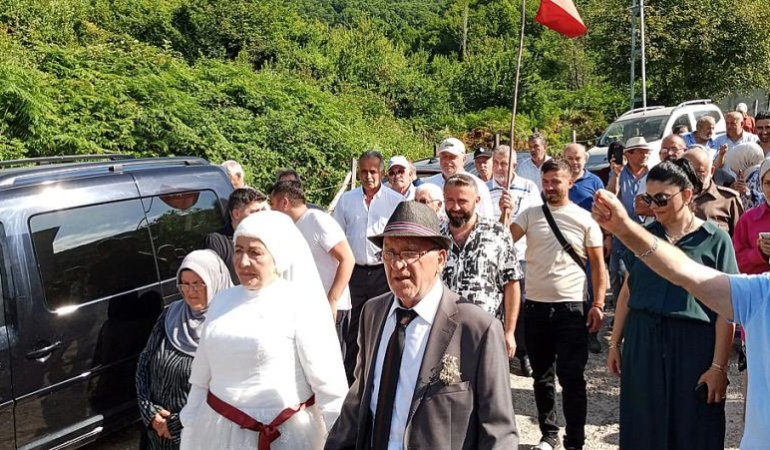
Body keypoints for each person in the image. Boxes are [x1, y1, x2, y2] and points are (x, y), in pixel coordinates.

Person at [324, 201, 519, 450]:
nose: (396, 265)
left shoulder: (477, 329)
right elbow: (359, 398)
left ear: (440, 259)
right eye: (389, 253)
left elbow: (499, 431)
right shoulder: (373, 313)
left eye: (409, 253)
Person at [590, 187, 770, 450]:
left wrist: (718, 367)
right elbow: (685, 272)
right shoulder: (761, 293)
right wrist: (625, 229)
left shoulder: (724, 248)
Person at [179, 212, 348, 450]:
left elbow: (328, 387)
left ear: (276, 253)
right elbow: (201, 379)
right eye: (238, 250)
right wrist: (190, 432)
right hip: (216, 434)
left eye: (255, 252)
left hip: (284, 436)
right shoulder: (221, 300)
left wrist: (340, 441)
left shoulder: (300, 303)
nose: (243, 261)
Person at [604, 159, 736, 449]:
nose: (654, 206)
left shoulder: (716, 241)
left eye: (661, 198)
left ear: (687, 195)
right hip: (643, 342)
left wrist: (718, 367)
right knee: (643, 425)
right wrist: (615, 343)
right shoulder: (646, 237)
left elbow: (728, 310)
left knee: (694, 426)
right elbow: (628, 291)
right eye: (649, 199)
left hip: (692, 344)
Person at [503, 158, 607, 450]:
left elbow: (599, 266)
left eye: (555, 181)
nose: (549, 187)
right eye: (545, 181)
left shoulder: (585, 219)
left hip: (571, 309)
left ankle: (575, 440)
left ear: (570, 182)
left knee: (572, 378)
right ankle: (548, 435)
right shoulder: (530, 214)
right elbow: (502, 242)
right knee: (541, 379)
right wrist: (504, 214)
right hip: (535, 307)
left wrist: (598, 303)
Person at [136, 250, 233, 449]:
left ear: (215, 281)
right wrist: (149, 412)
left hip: (200, 436)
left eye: (198, 283)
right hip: (158, 435)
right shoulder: (170, 315)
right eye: (185, 284)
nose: (190, 291)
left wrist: (177, 424)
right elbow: (144, 362)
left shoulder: (228, 324)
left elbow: (229, 390)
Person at [333, 150, 403, 384]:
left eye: (373, 171)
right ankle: (351, 380)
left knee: (383, 323)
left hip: (383, 273)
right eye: (364, 171)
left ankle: (382, 376)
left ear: (382, 173)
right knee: (353, 327)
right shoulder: (347, 200)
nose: (368, 176)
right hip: (354, 273)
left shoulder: (395, 201)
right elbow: (336, 236)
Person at [440, 173, 523, 364]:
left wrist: (509, 332)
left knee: (487, 390)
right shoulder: (436, 237)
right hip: (443, 331)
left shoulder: (497, 234)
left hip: (485, 331)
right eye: (450, 200)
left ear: (477, 200)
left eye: (462, 201)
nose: (455, 207)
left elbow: (511, 283)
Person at [270, 180, 355, 349]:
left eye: (273, 204)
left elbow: (347, 259)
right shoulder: (293, 226)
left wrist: (332, 300)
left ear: (285, 202)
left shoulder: (317, 220)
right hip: (309, 310)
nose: (272, 210)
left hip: (331, 310)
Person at [488, 144, 541, 375]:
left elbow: (535, 219)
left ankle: (523, 352)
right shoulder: (483, 188)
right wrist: (501, 213)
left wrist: (511, 214)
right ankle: (497, 350)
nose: (500, 168)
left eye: (504, 163)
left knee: (522, 305)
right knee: (495, 304)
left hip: (520, 256)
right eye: (496, 163)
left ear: (514, 166)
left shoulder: (528, 187)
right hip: (491, 257)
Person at [563, 143, 605, 353]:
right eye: (570, 158)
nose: (574, 162)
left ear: (585, 159)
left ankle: (592, 334)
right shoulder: (560, 181)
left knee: (590, 287)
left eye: (578, 158)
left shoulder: (594, 181)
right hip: (563, 245)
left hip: (589, 244)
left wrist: (608, 237)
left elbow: (605, 210)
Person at [606, 137, 651, 327]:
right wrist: (615, 175)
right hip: (622, 233)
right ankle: (620, 312)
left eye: (645, 151)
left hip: (646, 231)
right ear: (628, 154)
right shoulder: (618, 173)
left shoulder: (653, 173)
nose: (644, 155)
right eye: (639, 151)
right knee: (616, 273)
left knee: (639, 274)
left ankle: (636, 313)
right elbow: (609, 196)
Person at [203, 188, 269, 284]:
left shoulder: (264, 237)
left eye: (261, 211)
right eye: (255, 212)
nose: (260, 216)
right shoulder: (216, 241)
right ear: (236, 214)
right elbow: (214, 282)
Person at [423, 137, 494, 218]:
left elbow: (487, 219)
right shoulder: (429, 184)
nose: (447, 161)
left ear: (463, 159)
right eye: (444, 156)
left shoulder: (477, 185)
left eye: (452, 157)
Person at [684, 145, 743, 236]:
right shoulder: (671, 199)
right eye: (688, 171)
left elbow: (740, 240)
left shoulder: (728, 200)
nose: (693, 176)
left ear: (711, 171)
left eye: (700, 171)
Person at [723, 142, 765, 209]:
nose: (732, 169)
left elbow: (766, 202)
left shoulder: (759, 176)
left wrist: (749, 193)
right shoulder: (747, 176)